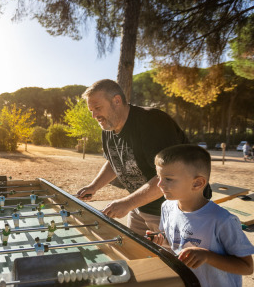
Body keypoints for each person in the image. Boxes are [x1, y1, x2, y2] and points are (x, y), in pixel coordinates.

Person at [77, 79, 189, 235]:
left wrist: (127, 203)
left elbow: (170, 176)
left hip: (173, 209)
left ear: (116, 101)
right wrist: (93, 187)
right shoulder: (108, 130)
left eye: (97, 108)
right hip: (139, 207)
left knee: (171, 259)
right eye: (91, 110)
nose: (94, 115)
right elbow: (114, 161)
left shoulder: (152, 122)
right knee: (138, 257)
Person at [151, 144, 254, 287]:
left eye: (168, 179)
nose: (159, 184)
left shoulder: (222, 220)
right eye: (159, 177)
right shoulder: (167, 207)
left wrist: (207, 256)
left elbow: (247, 267)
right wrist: (160, 239)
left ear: (197, 184)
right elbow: (174, 241)